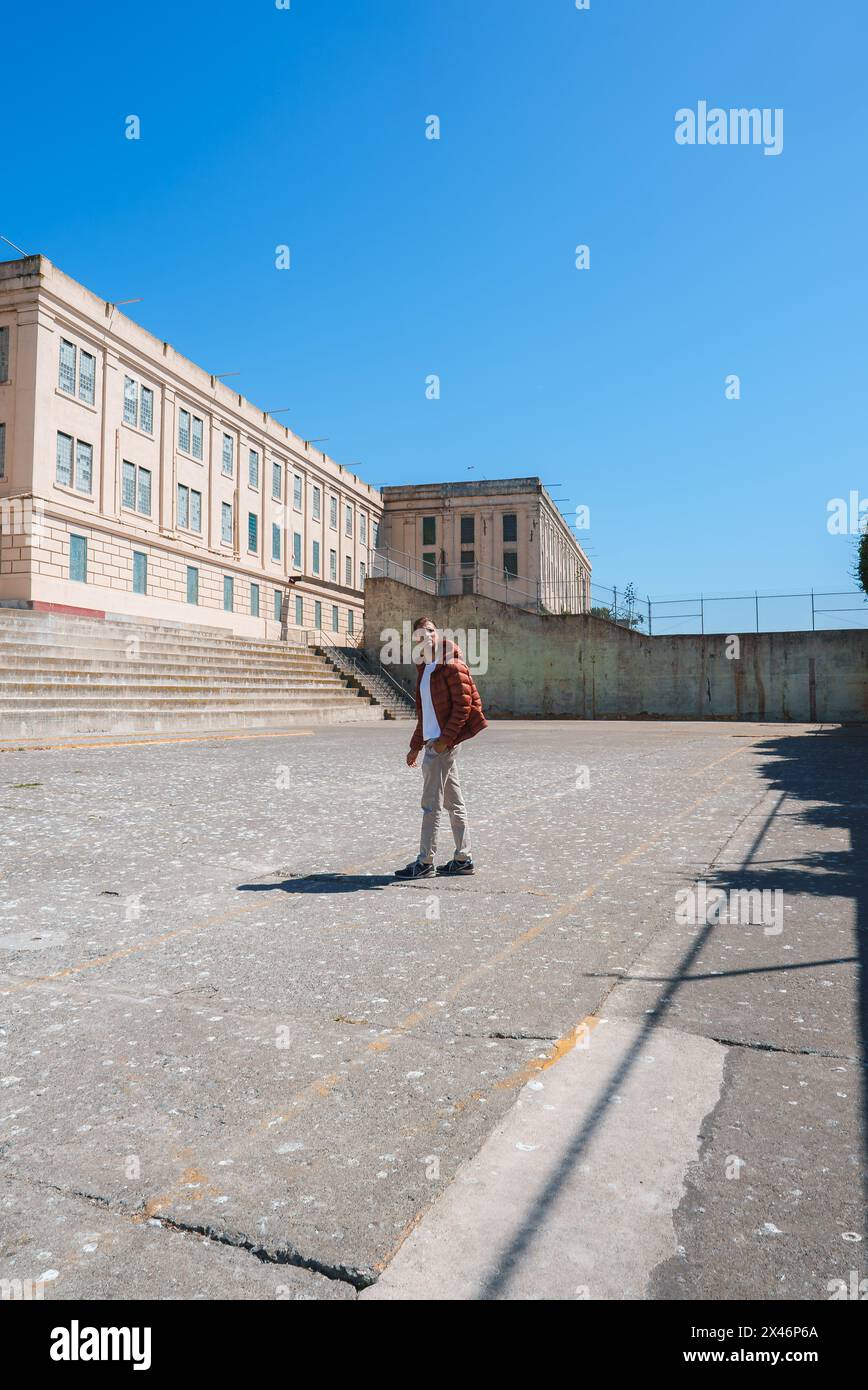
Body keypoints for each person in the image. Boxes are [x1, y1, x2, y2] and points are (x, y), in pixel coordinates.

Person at [394, 616, 487, 880]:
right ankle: (463, 858)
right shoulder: (425, 668)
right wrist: (415, 746)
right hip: (434, 743)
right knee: (453, 801)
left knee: (430, 805)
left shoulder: (452, 663)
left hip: (443, 745)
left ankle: (425, 862)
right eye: (420, 634)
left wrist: (444, 741)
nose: (426, 636)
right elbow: (425, 714)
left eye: (431, 631)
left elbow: (464, 706)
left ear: (438, 634)